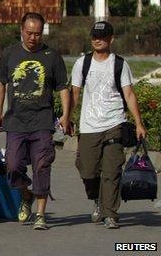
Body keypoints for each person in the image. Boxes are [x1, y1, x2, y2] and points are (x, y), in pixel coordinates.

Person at [0, 12, 71, 231]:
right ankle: (26, 194)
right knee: (13, 165)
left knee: (42, 165)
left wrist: (66, 115)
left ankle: (40, 214)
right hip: (16, 121)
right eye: (29, 33)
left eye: (37, 34)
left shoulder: (52, 56)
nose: (33, 38)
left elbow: (63, 87)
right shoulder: (10, 54)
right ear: (21, 30)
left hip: (42, 121)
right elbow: (0, 83)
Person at [71, 21, 147, 229]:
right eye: (95, 36)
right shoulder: (82, 63)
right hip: (88, 126)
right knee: (87, 170)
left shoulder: (120, 64)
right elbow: (75, 93)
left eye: (102, 36)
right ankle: (97, 199)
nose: (97, 39)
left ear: (111, 39)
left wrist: (138, 123)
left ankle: (110, 213)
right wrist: (67, 117)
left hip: (114, 123)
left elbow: (129, 94)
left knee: (112, 171)